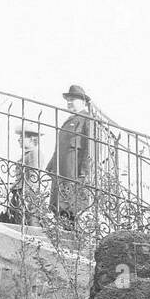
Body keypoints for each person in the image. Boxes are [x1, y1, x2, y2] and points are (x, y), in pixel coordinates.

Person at [47, 85, 94, 223]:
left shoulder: (87, 119)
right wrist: (51, 165)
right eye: (67, 99)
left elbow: (89, 148)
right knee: (59, 205)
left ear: (83, 102)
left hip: (72, 171)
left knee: (70, 206)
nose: (68, 102)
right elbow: (60, 146)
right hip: (61, 170)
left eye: (72, 99)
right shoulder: (70, 120)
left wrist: (84, 171)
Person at [0, 128, 43, 228]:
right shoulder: (27, 154)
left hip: (27, 193)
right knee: (16, 221)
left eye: (22, 137)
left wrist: (25, 195)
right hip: (20, 191)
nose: (19, 140)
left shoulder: (35, 153)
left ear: (32, 139)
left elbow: (33, 176)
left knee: (31, 222)